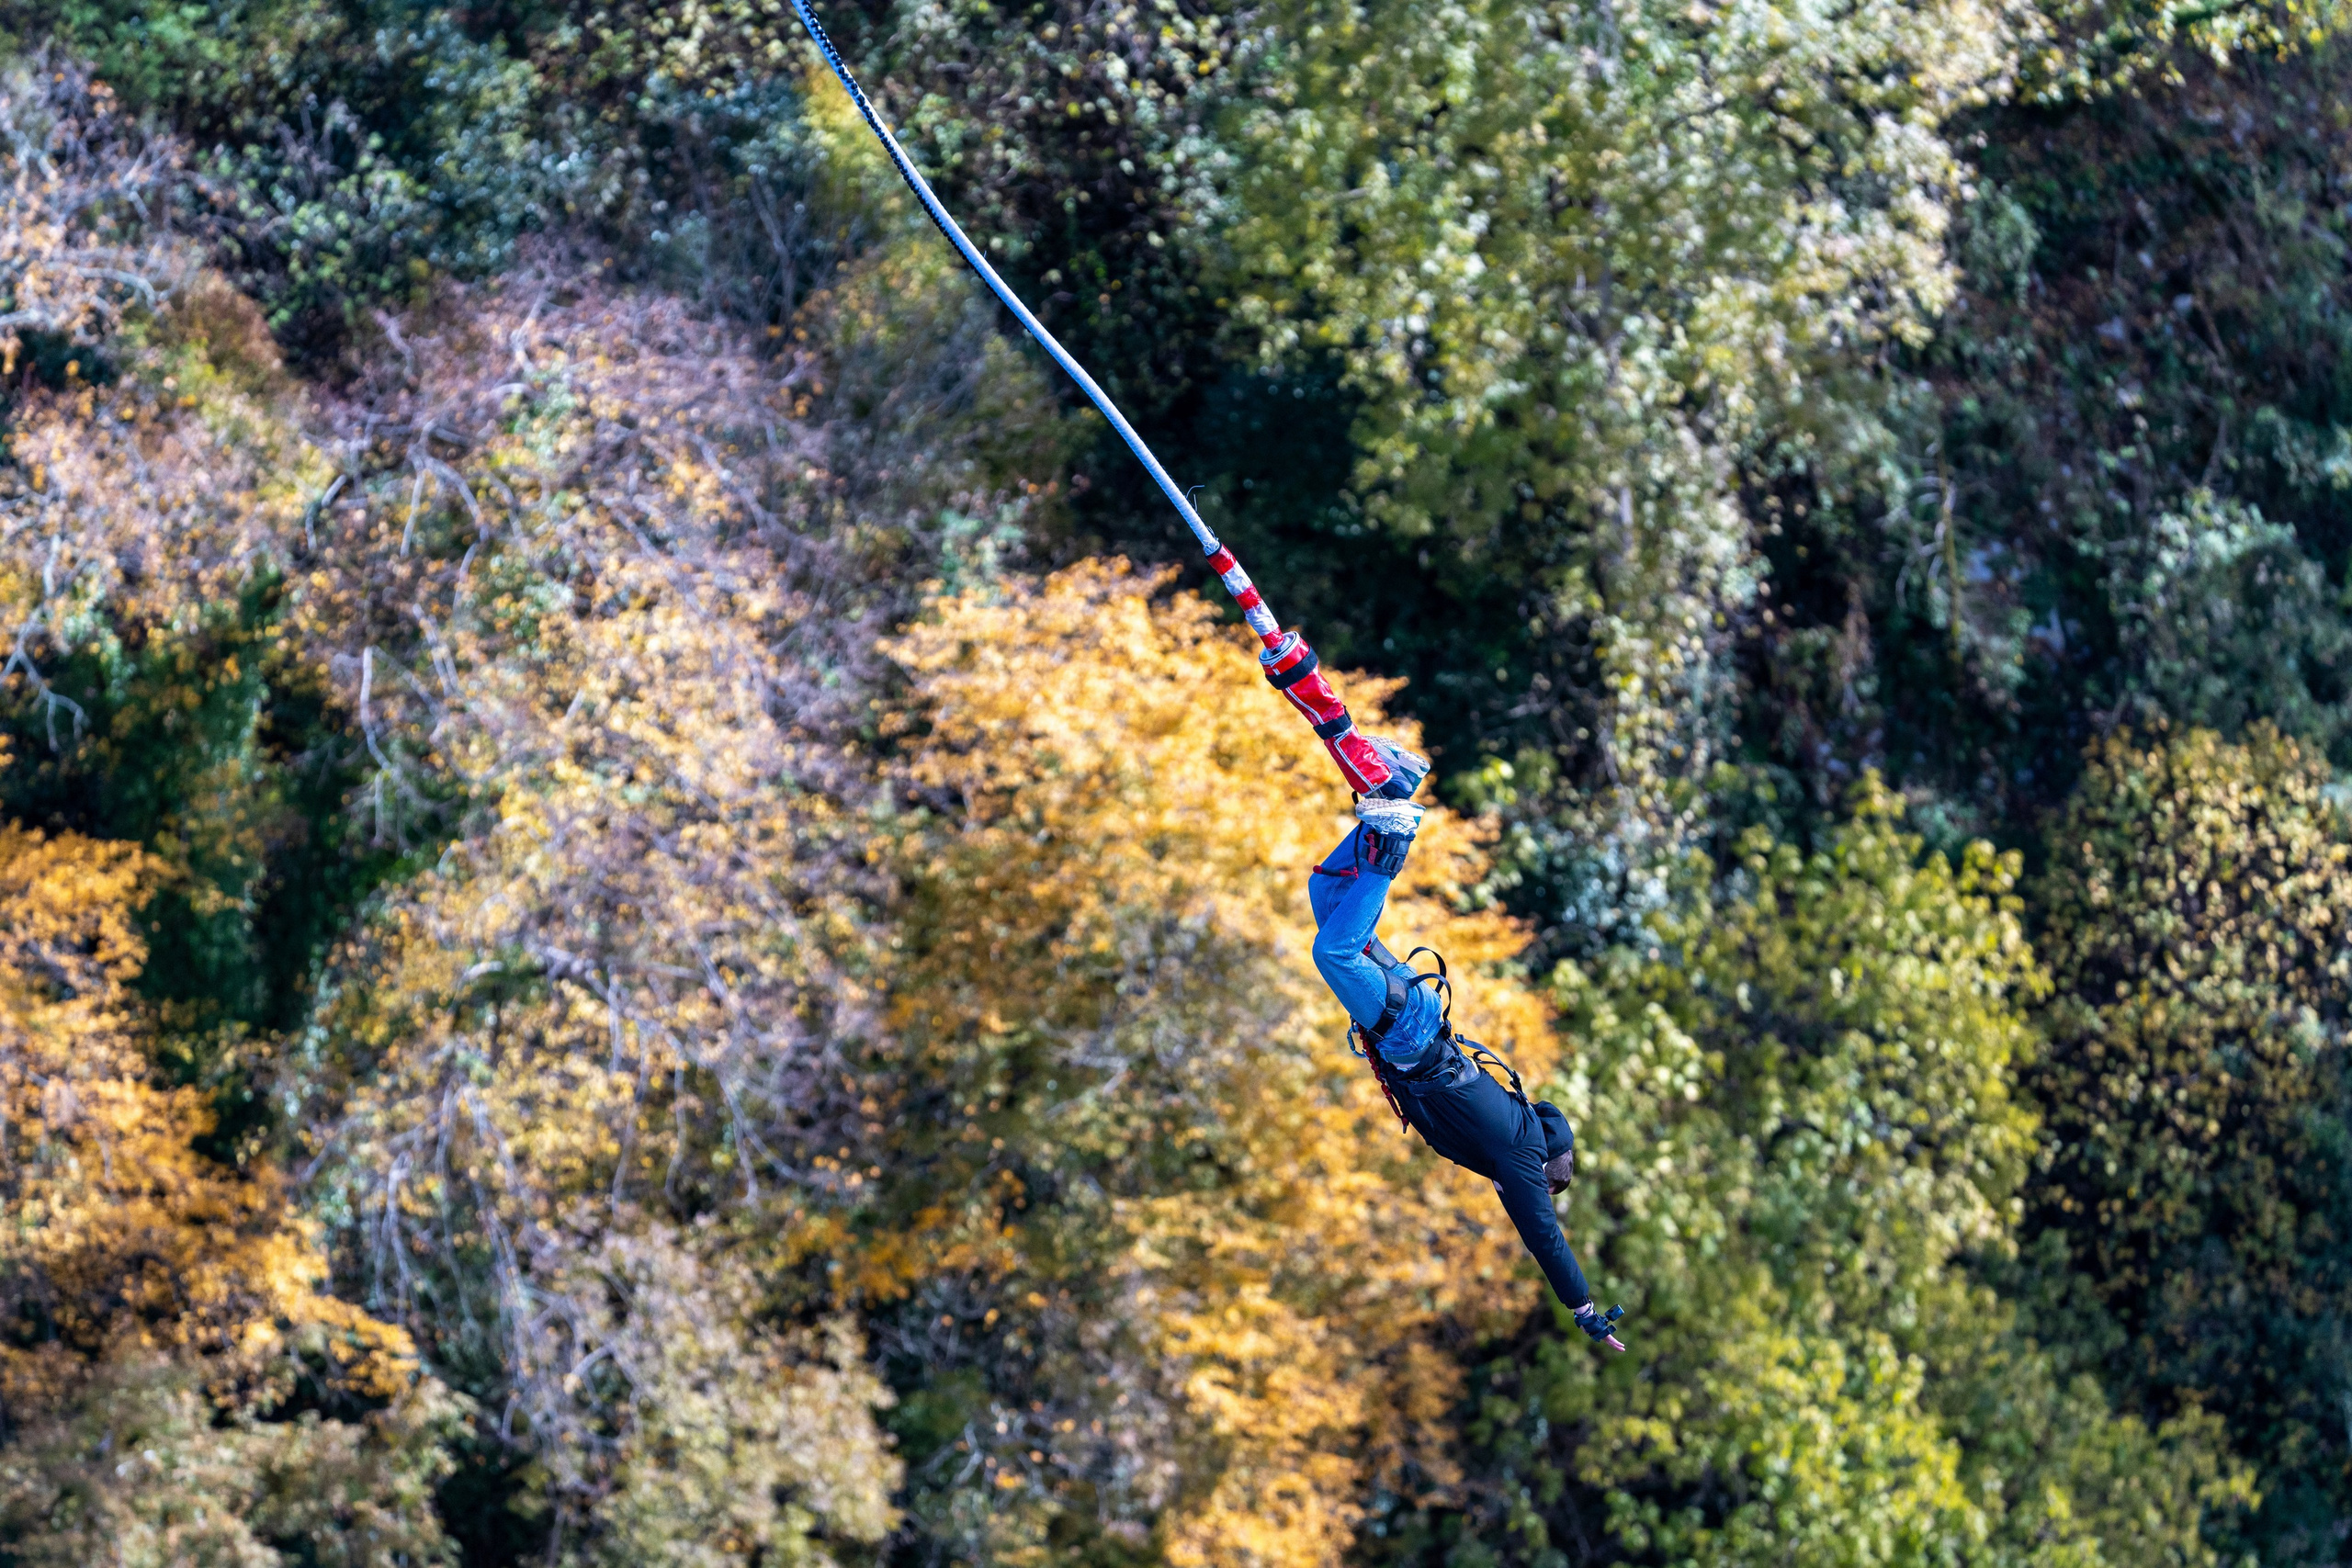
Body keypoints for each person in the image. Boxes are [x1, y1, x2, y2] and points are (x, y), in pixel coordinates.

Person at [1309, 738, 1625, 1352]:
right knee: (1334, 951)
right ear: (1543, 1174)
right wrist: (1584, 1309)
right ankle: (1390, 843)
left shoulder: (1511, 1130)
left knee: (1329, 899)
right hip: (1410, 1032)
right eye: (1540, 1188)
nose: (1519, 1196)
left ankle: (1397, 789)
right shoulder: (1519, 1154)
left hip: (1416, 1019)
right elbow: (1545, 1238)